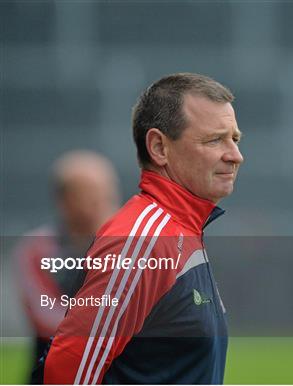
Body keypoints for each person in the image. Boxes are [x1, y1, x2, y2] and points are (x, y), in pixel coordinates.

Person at [38, 73, 244, 384]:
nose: (235, 155)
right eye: (214, 139)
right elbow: (67, 374)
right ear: (159, 147)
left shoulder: (177, 233)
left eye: (235, 139)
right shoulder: (145, 240)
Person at [15, 150, 120, 371]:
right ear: (63, 200)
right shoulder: (35, 250)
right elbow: (45, 316)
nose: (101, 202)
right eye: (90, 194)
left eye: (106, 193)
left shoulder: (136, 247)